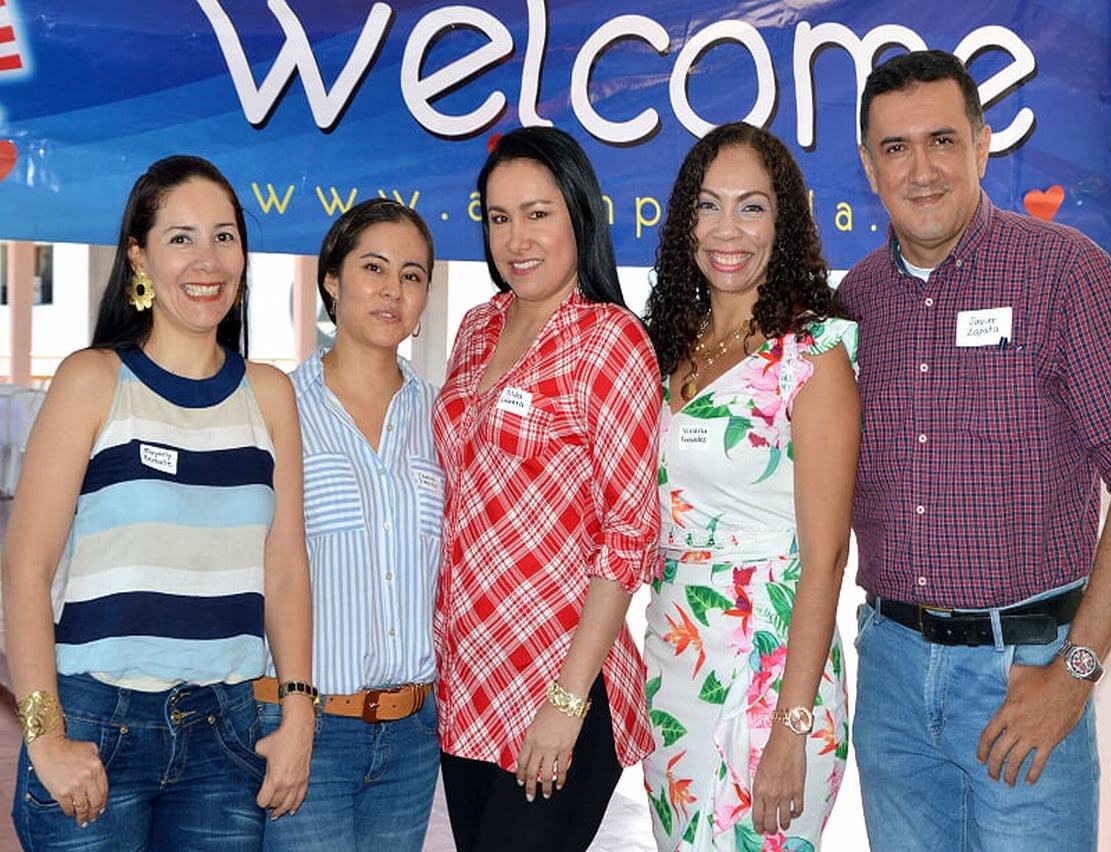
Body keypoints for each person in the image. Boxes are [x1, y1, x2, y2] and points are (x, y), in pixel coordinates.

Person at [841, 50, 1111, 850]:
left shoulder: (1064, 274)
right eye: (895, 148)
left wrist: (1076, 671)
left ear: (982, 145)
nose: (920, 170)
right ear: (866, 164)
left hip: (1025, 672)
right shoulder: (854, 304)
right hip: (889, 679)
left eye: (941, 141)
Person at [3, 155, 315, 850]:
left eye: (224, 236)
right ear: (139, 258)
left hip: (226, 732)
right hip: (93, 722)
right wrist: (45, 736)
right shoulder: (92, 380)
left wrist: (299, 714)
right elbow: (23, 569)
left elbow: (286, 570)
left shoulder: (270, 395)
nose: (207, 261)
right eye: (181, 238)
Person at [432, 126, 661, 851]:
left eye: (537, 213)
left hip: (559, 683)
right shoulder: (476, 327)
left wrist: (565, 703)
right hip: (468, 678)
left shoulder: (609, 339)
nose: (515, 238)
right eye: (498, 218)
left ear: (577, 215)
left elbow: (629, 536)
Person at [642, 122, 858, 851]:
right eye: (708, 206)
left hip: (770, 672)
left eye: (751, 206)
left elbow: (825, 559)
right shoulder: (669, 344)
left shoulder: (812, 354)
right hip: (674, 662)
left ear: (784, 222)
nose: (726, 229)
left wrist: (791, 729)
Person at [256, 198, 442, 852]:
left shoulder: (438, 418)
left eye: (413, 275)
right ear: (331, 281)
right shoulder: (279, 406)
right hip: (309, 725)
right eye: (374, 267)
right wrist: (293, 717)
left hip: (414, 735)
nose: (393, 290)